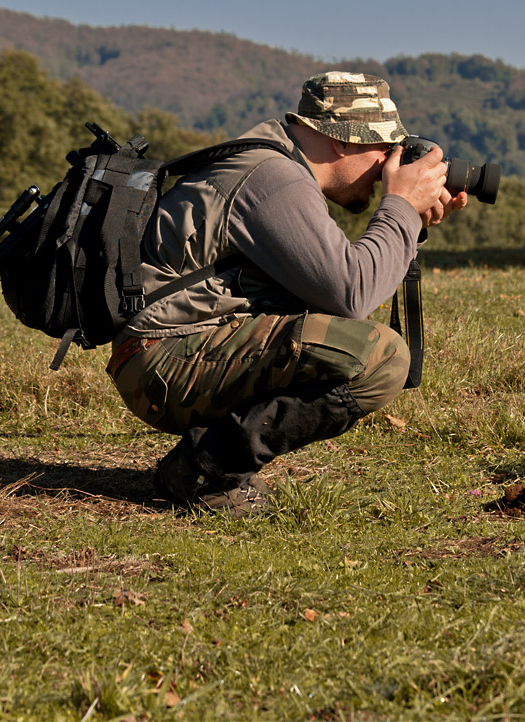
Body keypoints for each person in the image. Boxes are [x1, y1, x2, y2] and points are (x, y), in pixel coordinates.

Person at [106, 71, 467, 517]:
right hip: (161, 358)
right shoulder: (274, 179)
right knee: (381, 357)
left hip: (165, 351)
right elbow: (353, 293)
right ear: (343, 141)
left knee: (346, 341)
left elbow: (333, 290)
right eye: (386, 151)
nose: (388, 169)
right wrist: (400, 209)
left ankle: (209, 463)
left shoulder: (275, 167)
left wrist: (410, 222)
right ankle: (205, 470)